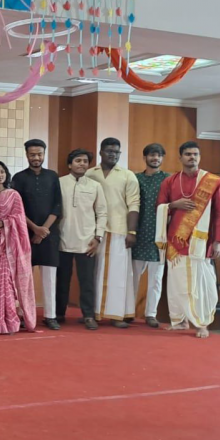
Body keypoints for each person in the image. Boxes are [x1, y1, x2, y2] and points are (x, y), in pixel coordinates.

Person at [157, 141, 220, 339]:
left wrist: (218, 241)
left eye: (195, 154)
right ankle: (180, 321)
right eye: (188, 154)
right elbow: (159, 207)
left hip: (200, 242)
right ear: (180, 157)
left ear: (200, 157)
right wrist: (174, 204)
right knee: (176, 283)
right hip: (176, 241)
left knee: (199, 284)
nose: (192, 157)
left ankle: (201, 323)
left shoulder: (212, 181)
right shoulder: (170, 181)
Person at [86, 137, 140, 327]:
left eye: (117, 152)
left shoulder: (127, 175)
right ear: (100, 152)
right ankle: (93, 313)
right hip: (94, 231)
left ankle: (117, 315)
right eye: (109, 151)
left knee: (118, 275)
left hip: (119, 230)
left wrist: (132, 231)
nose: (113, 155)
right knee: (94, 273)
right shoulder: (90, 173)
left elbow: (134, 204)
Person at [11, 139, 62, 330]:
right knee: (25, 278)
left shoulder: (52, 176)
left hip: (49, 235)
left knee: (50, 277)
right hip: (26, 235)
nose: (36, 158)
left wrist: (43, 231)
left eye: (39, 154)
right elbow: (17, 209)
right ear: (26, 155)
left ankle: (50, 316)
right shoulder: (18, 178)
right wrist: (35, 229)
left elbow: (58, 206)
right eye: (32, 154)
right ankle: (25, 314)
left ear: (44, 154)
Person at [0, 161, 37, 334]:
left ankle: (7, 321)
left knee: (4, 280)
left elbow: (20, 219)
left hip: (8, 244)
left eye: (2, 172)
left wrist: (3, 223)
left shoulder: (13, 195)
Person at [56, 149, 107, 330]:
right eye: (78, 160)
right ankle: (58, 313)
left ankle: (88, 315)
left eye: (85, 161)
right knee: (62, 280)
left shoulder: (95, 186)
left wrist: (98, 237)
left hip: (87, 241)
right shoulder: (59, 183)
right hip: (62, 239)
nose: (82, 164)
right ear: (70, 164)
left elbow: (102, 212)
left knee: (87, 281)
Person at [132, 143, 170, 328]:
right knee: (133, 277)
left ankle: (151, 314)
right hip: (138, 235)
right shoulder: (135, 178)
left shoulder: (168, 179)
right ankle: (128, 312)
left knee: (156, 279)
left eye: (159, 155)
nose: (155, 158)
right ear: (145, 157)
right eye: (152, 155)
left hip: (160, 236)